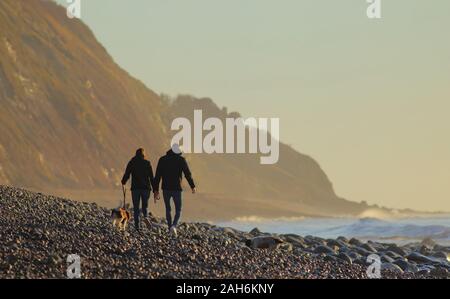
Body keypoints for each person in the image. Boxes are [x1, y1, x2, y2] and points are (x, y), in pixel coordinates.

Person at [154, 144, 196, 236]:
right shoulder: (181, 160)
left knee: (168, 209)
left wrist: (155, 190)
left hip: (166, 188)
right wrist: (192, 186)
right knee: (178, 209)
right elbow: (187, 174)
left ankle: (169, 228)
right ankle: (174, 225)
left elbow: (157, 176)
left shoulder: (162, 159)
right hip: (177, 189)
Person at [121, 148, 156, 231]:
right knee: (145, 206)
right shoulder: (147, 163)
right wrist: (155, 189)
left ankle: (137, 226)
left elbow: (127, 173)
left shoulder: (132, 162)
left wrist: (123, 181)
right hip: (146, 189)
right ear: (144, 155)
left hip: (135, 189)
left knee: (136, 207)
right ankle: (145, 217)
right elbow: (151, 177)